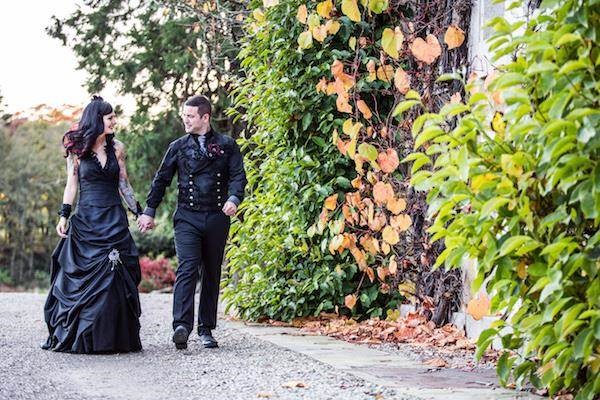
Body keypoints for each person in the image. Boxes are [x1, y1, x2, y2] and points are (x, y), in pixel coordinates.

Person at [137, 95, 246, 350]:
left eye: (190, 116)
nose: (185, 120)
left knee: (211, 270)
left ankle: (206, 328)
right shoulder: (177, 146)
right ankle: (181, 327)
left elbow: (238, 175)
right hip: (187, 216)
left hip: (218, 216)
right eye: (184, 115)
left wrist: (233, 198)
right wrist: (149, 210)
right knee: (188, 267)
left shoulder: (227, 144)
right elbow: (161, 179)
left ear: (205, 117)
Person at [42, 96, 144, 353]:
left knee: (114, 277)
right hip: (86, 219)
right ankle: (84, 338)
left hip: (113, 219)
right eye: (110, 118)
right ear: (97, 119)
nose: (114, 121)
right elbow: (71, 184)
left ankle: (113, 339)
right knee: (83, 280)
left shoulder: (118, 148)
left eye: (114, 117)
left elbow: (124, 184)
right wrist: (63, 216)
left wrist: (139, 212)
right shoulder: (77, 149)